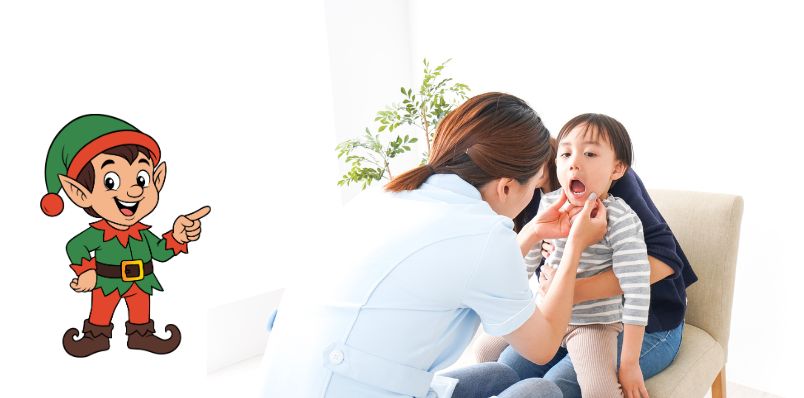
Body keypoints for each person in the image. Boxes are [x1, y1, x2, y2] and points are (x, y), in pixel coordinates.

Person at [260, 93, 608, 397]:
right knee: (540, 391)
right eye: (534, 186)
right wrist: (575, 247)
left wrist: (531, 233)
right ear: (506, 186)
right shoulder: (483, 234)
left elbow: (468, 269)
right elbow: (543, 347)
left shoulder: (385, 197)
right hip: (343, 384)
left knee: (498, 374)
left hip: (302, 381)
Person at [475, 114, 698, 398]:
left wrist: (628, 363)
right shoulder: (545, 201)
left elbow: (642, 282)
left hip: (604, 322)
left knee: (569, 387)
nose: (574, 162)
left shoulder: (619, 214)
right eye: (566, 154)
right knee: (492, 358)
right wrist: (533, 236)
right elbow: (520, 269)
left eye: (589, 153)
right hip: (551, 314)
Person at [40, 114, 210, 357]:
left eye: (142, 178)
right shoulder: (97, 234)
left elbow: (160, 252)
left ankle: (141, 335)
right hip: (107, 280)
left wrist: (178, 236)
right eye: (111, 181)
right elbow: (74, 247)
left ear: (157, 179)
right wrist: (86, 271)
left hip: (140, 280)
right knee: (101, 309)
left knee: (140, 308)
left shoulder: (143, 235)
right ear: (79, 194)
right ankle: (95, 336)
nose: (134, 190)